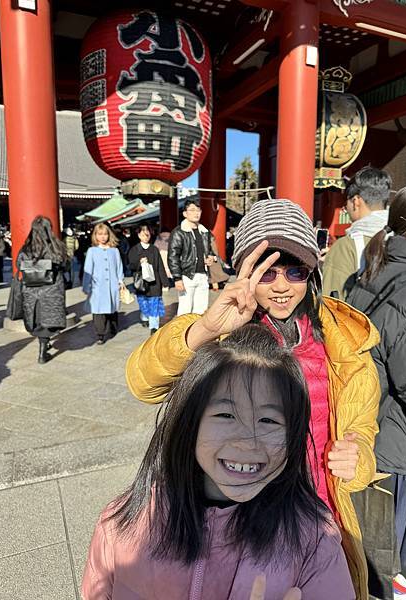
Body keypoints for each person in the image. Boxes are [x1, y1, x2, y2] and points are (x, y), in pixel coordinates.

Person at [126, 198, 381, 600]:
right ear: (245, 272)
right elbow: (143, 383)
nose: (282, 286)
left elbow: (363, 423)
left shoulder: (343, 338)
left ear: (312, 271)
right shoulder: (224, 332)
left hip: (319, 511)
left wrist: (359, 454)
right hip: (237, 513)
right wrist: (206, 328)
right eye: (267, 273)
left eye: (295, 271)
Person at [83, 324, 355, 600]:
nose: (248, 442)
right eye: (226, 415)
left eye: (269, 420)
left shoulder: (313, 537)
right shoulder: (123, 523)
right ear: (189, 421)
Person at [347, 183, 406, 600]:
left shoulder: (370, 268)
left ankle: (405, 573)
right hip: (400, 439)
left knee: (386, 535)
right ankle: (399, 582)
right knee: (393, 534)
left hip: (372, 425)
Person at [323, 166, 392, 300]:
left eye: (346, 204)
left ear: (355, 202)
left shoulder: (347, 247)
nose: (345, 210)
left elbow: (332, 304)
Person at [17, 216, 68, 364]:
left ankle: (43, 347)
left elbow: (18, 263)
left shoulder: (26, 248)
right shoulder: (56, 247)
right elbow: (65, 264)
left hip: (32, 290)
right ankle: (42, 352)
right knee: (48, 320)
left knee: (37, 319)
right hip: (51, 289)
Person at [168, 199, 216, 315]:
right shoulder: (179, 232)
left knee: (201, 311)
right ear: (185, 213)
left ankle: (196, 333)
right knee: (185, 310)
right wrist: (177, 278)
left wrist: (211, 258)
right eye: (192, 210)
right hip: (187, 275)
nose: (196, 213)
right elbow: (172, 256)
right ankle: (181, 333)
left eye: (198, 210)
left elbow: (210, 251)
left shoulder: (204, 231)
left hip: (203, 275)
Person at [83, 223, 124, 345]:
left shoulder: (114, 251)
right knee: (98, 311)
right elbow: (88, 269)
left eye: (105, 234)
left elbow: (119, 267)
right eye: (100, 234)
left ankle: (112, 327)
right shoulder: (92, 251)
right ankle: (100, 333)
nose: (103, 237)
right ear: (95, 236)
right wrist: (86, 285)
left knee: (112, 308)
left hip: (112, 286)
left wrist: (120, 281)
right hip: (98, 286)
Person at [128, 224, 169, 334]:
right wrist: (139, 263)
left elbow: (160, 266)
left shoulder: (154, 249)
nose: (145, 236)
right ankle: (145, 317)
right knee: (144, 303)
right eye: (143, 234)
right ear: (138, 235)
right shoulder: (134, 250)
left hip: (155, 282)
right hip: (141, 282)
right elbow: (131, 265)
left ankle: (154, 326)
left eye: (147, 234)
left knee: (154, 303)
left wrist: (164, 281)